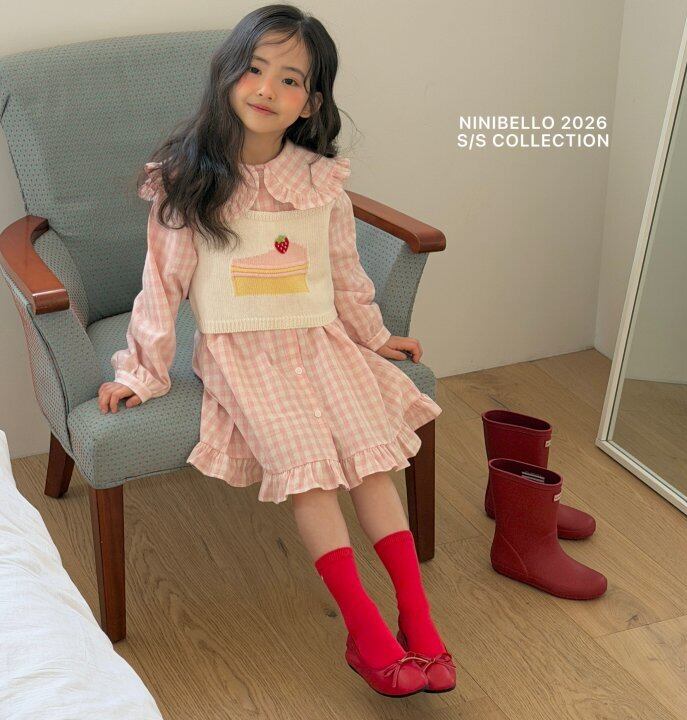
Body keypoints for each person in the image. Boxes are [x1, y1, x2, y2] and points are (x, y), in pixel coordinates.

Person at [97, 4, 454, 698]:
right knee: (310, 476)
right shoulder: (186, 181)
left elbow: (344, 274)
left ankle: (418, 618)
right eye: (254, 69)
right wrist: (142, 371)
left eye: (290, 79)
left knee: (372, 465)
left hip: (321, 341)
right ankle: (366, 631)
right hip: (243, 354)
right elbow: (161, 284)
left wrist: (374, 337)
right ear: (227, 73)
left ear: (310, 103)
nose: (266, 88)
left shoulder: (320, 183)